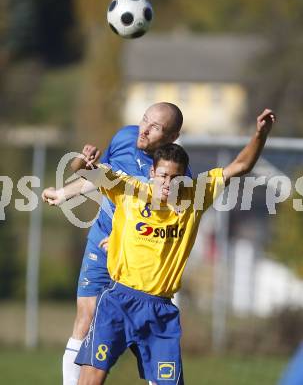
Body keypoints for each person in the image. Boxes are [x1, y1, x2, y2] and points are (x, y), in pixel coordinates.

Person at [42, 108, 275, 385]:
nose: (167, 184)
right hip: (118, 301)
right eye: (162, 176)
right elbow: (86, 173)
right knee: (90, 378)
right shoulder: (129, 190)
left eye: (175, 178)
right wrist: (82, 161)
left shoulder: (194, 199)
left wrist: (260, 133)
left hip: (160, 311)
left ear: (185, 180)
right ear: (152, 172)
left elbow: (241, 165)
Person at [61, 102, 188, 384]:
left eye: (155, 127)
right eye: (144, 120)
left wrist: (124, 239)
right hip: (101, 240)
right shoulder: (124, 137)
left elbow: (170, 226)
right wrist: (77, 171)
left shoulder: (176, 175)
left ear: (171, 137)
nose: (144, 130)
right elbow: (96, 175)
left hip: (134, 260)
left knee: (136, 333)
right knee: (86, 316)